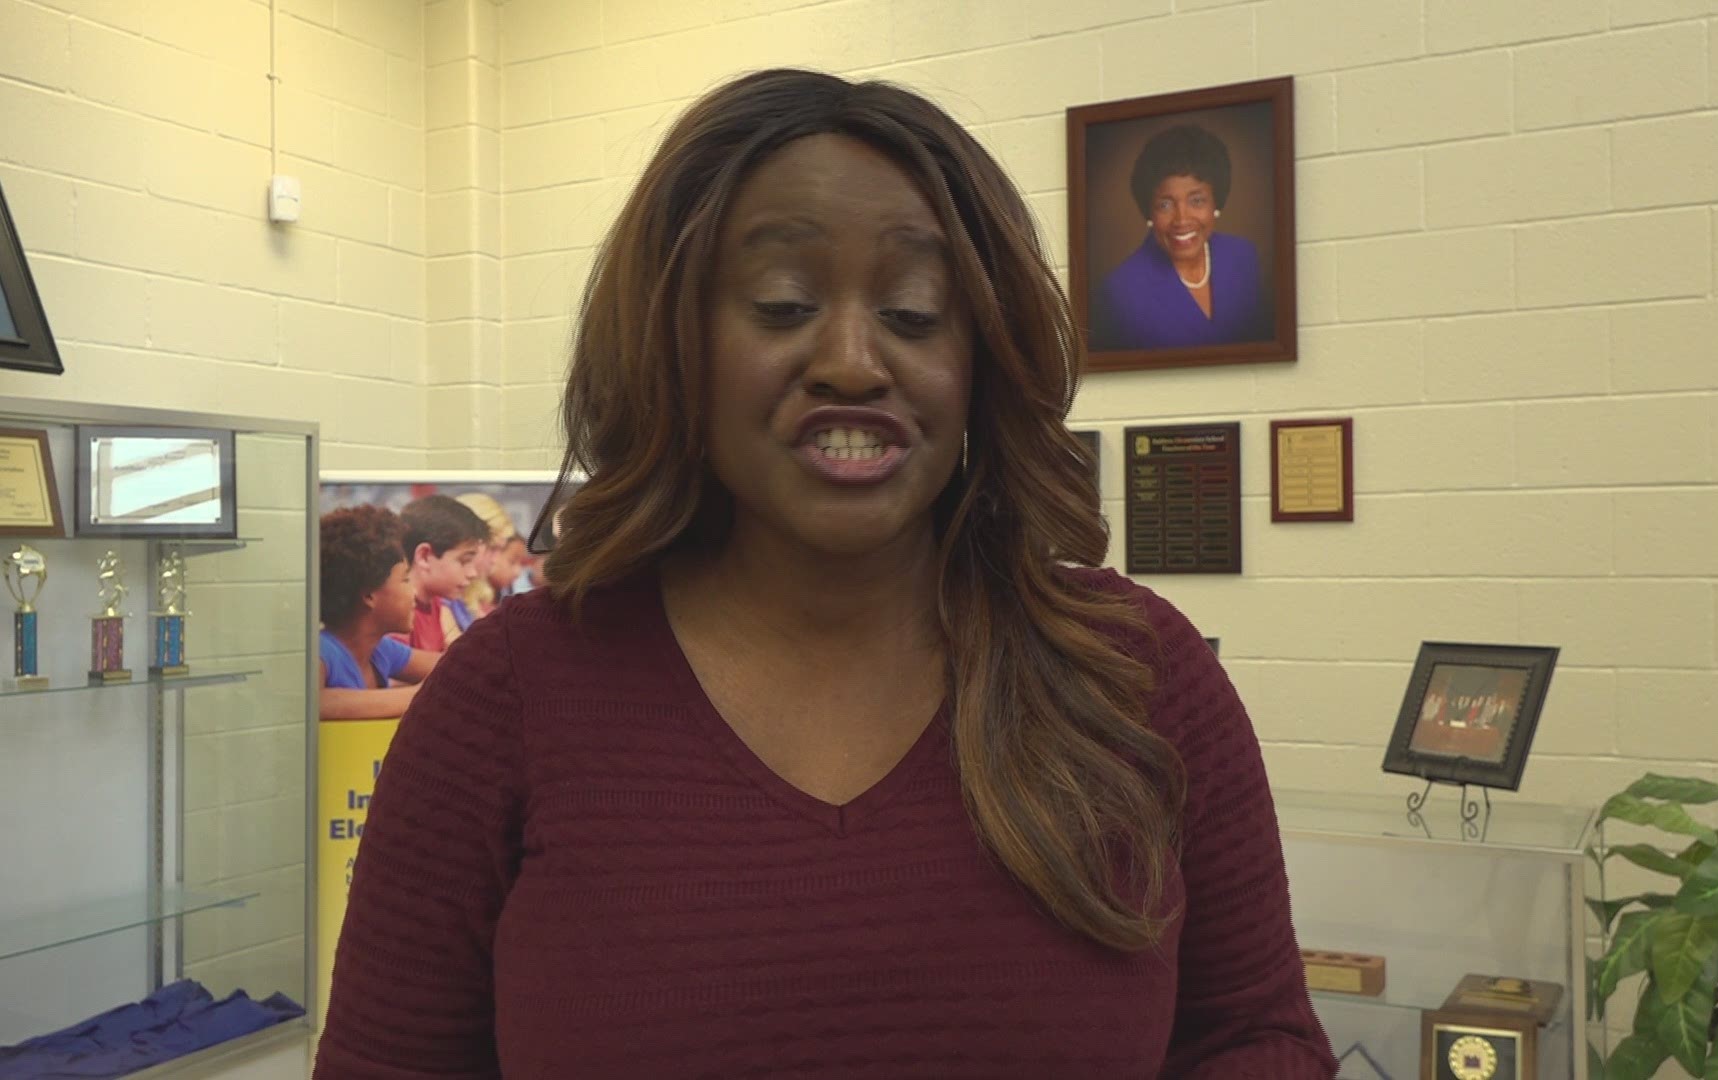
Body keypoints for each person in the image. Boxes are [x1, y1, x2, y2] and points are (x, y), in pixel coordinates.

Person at [315, 69, 1333, 1078]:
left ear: (984, 355)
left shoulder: (1138, 674)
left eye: (916, 312)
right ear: (677, 344)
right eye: (783, 301)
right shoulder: (509, 700)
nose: (851, 360)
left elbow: (1258, 1039)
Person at [1090, 123, 1274, 353]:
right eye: (1165, 205)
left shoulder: (1244, 256)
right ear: (1149, 211)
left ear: (1216, 202)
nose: (1182, 219)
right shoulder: (1120, 292)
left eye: (1196, 200)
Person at [317, 505, 439, 721]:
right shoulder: (320, 651)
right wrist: (424, 694)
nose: (414, 591)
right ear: (369, 595)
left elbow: (452, 667)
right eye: (405, 579)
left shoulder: (379, 650)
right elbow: (312, 704)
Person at [396, 494, 487, 651]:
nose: (473, 573)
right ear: (424, 556)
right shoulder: (398, 611)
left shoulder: (436, 605)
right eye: (464, 561)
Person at [453, 491, 529, 618]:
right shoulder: (444, 603)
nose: (494, 560)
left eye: (500, 550)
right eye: (492, 548)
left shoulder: (477, 601)